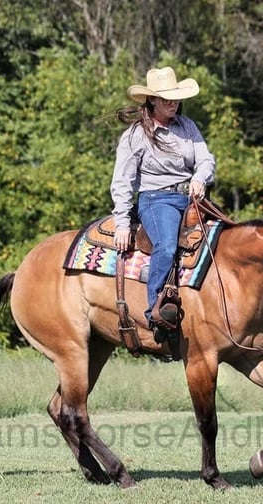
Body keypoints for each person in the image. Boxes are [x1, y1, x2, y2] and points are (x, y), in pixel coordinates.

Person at [109, 66, 216, 338]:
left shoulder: (188, 126)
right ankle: (155, 311)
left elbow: (205, 160)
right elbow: (122, 181)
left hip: (192, 199)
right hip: (157, 200)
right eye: (166, 97)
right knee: (167, 246)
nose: (173, 102)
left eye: (175, 97)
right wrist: (122, 223)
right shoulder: (136, 135)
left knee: (226, 240)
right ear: (152, 100)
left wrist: (201, 178)